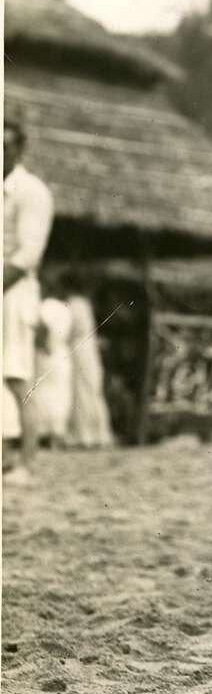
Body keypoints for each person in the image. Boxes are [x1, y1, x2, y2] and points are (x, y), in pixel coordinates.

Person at [3, 119, 54, 483]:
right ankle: (5, 457)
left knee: (18, 376)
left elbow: (27, 255)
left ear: (19, 150)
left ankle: (29, 463)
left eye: (5, 146)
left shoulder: (31, 191)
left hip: (15, 292)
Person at [63, 275, 115, 449]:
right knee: (91, 391)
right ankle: (99, 435)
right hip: (88, 348)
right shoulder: (84, 303)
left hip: (79, 349)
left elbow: (70, 329)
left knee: (81, 391)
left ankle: (84, 436)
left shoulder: (73, 303)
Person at [30, 286, 74, 449]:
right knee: (61, 393)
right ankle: (57, 433)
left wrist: (43, 345)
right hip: (62, 352)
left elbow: (43, 327)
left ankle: (45, 433)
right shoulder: (65, 308)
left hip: (47, 352)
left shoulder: (46, 305)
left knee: (43, 392)